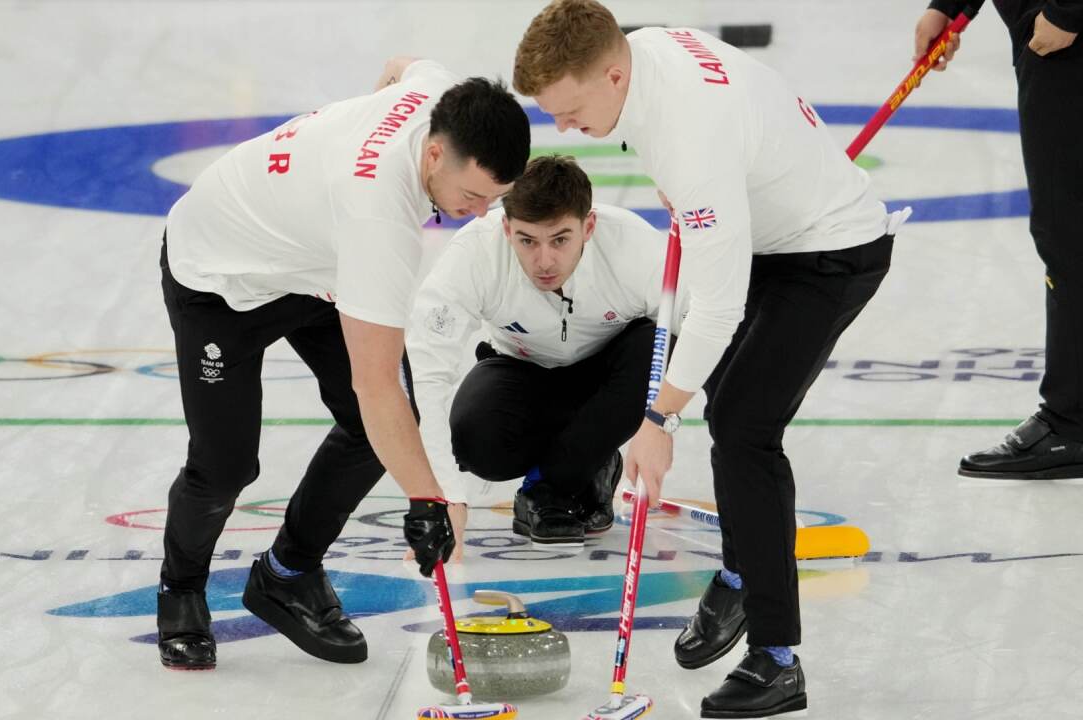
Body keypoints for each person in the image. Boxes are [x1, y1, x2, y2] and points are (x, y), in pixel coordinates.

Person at [514, 2, 907, 717]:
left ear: (612, 73)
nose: (563, 129)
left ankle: (777, 659)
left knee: (743, 429)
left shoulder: (687, 134)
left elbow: (720, 309)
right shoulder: (644, 55)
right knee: (727, 398)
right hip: (765, 231)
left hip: (829, 253)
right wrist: (705, 202)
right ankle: (741, 569)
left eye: (569, 111)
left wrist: (659, 416)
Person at [155, 57, 530, 670]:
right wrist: (426, 501)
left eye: (496, 199)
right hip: (221, 277)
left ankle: (288, 573)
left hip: (314, 264)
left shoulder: (441, 94)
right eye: (472, 196)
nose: (479, 214)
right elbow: (376, 384)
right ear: (434, 154)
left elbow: (405, 64)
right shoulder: (378, 216)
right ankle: (181, 590)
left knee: (371, 430)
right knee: (224, 468)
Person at [406, 155, 684, 552]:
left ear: (588, 226)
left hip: (612, 374)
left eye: (560, 239)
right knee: (475, 441)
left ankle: (550, 486)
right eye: (527, 241)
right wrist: (441, 495)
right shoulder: (474, 254)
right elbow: (424, 372)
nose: (544, 261)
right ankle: (592, 459)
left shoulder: (635, 247)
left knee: (662, 343)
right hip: (522, 369)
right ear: (506, 227)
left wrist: (662, 419)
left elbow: (700, 327)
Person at [914, 1, 1083, 480]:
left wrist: (1069, 11)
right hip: (1053, 38)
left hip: (1063, 42)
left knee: (1068, 234)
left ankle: (1070, 423)